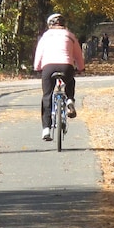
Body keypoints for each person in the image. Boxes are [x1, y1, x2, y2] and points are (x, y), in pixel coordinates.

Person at [33, 12, 85, 141]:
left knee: (47, 96)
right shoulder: (70, 36)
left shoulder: (45, 37)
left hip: (49, 67)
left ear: (49, 24)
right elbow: (78, 55)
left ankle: (46, 129)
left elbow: (39, 54)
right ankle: (70, 100)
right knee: (70, 80)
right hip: (66, 66)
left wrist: (37, 67)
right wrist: (80, 68)